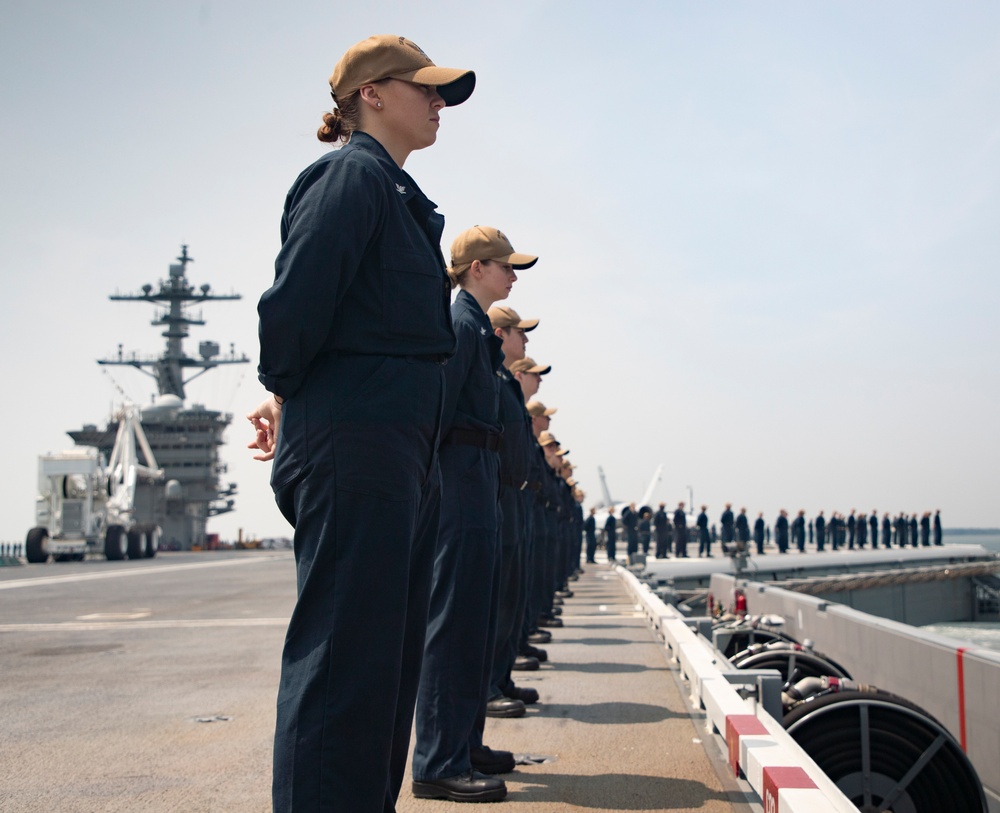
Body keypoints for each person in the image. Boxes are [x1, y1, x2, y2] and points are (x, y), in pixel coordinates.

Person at [248, 34, 476, 813]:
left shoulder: (400, 199)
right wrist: (288, 398)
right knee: (343, 667)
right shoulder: (349, 180)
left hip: (397, 455)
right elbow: (291, 314)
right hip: (357, 446)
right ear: (371, 95)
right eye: (426, 89)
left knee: (382, 667)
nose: (438, 103)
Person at [411, 226, 537, 801]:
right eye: (506, 266)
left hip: (479, 488)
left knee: (474, 625)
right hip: (459, 491)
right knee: (452, 629)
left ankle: (463, 744)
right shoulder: (462, 325)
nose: (513, 276)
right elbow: (434, 417)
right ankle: (439, 761)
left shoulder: (476, 331)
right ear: (477, 269)